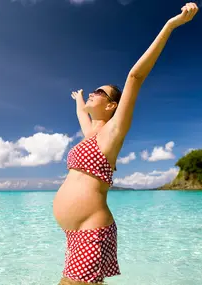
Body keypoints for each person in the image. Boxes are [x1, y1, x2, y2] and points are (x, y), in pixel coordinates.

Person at [53, 3, 199, 285]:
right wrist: (79, 98)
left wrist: (171, 24)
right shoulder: (89, 138)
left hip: (91, 230)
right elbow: (81, 115)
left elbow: (135, 76)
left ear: (112, 106)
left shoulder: (113, 133)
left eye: (99, 92)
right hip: (75, 233)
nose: (94, 93)